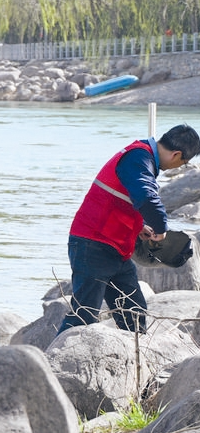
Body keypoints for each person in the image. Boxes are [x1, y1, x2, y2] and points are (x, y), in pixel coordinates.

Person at [58, 124, 200, 335]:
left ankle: (136, 362)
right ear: (176, 154)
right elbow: (146, 197)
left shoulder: (143, 158)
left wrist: (139, 226)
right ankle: (52, 364)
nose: (179, 167)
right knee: (84, 315)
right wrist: (161, 229)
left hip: (115, 248)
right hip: (93, 245)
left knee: (134, 312)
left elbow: (123, 197)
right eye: (183, 163)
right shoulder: (138, 158)